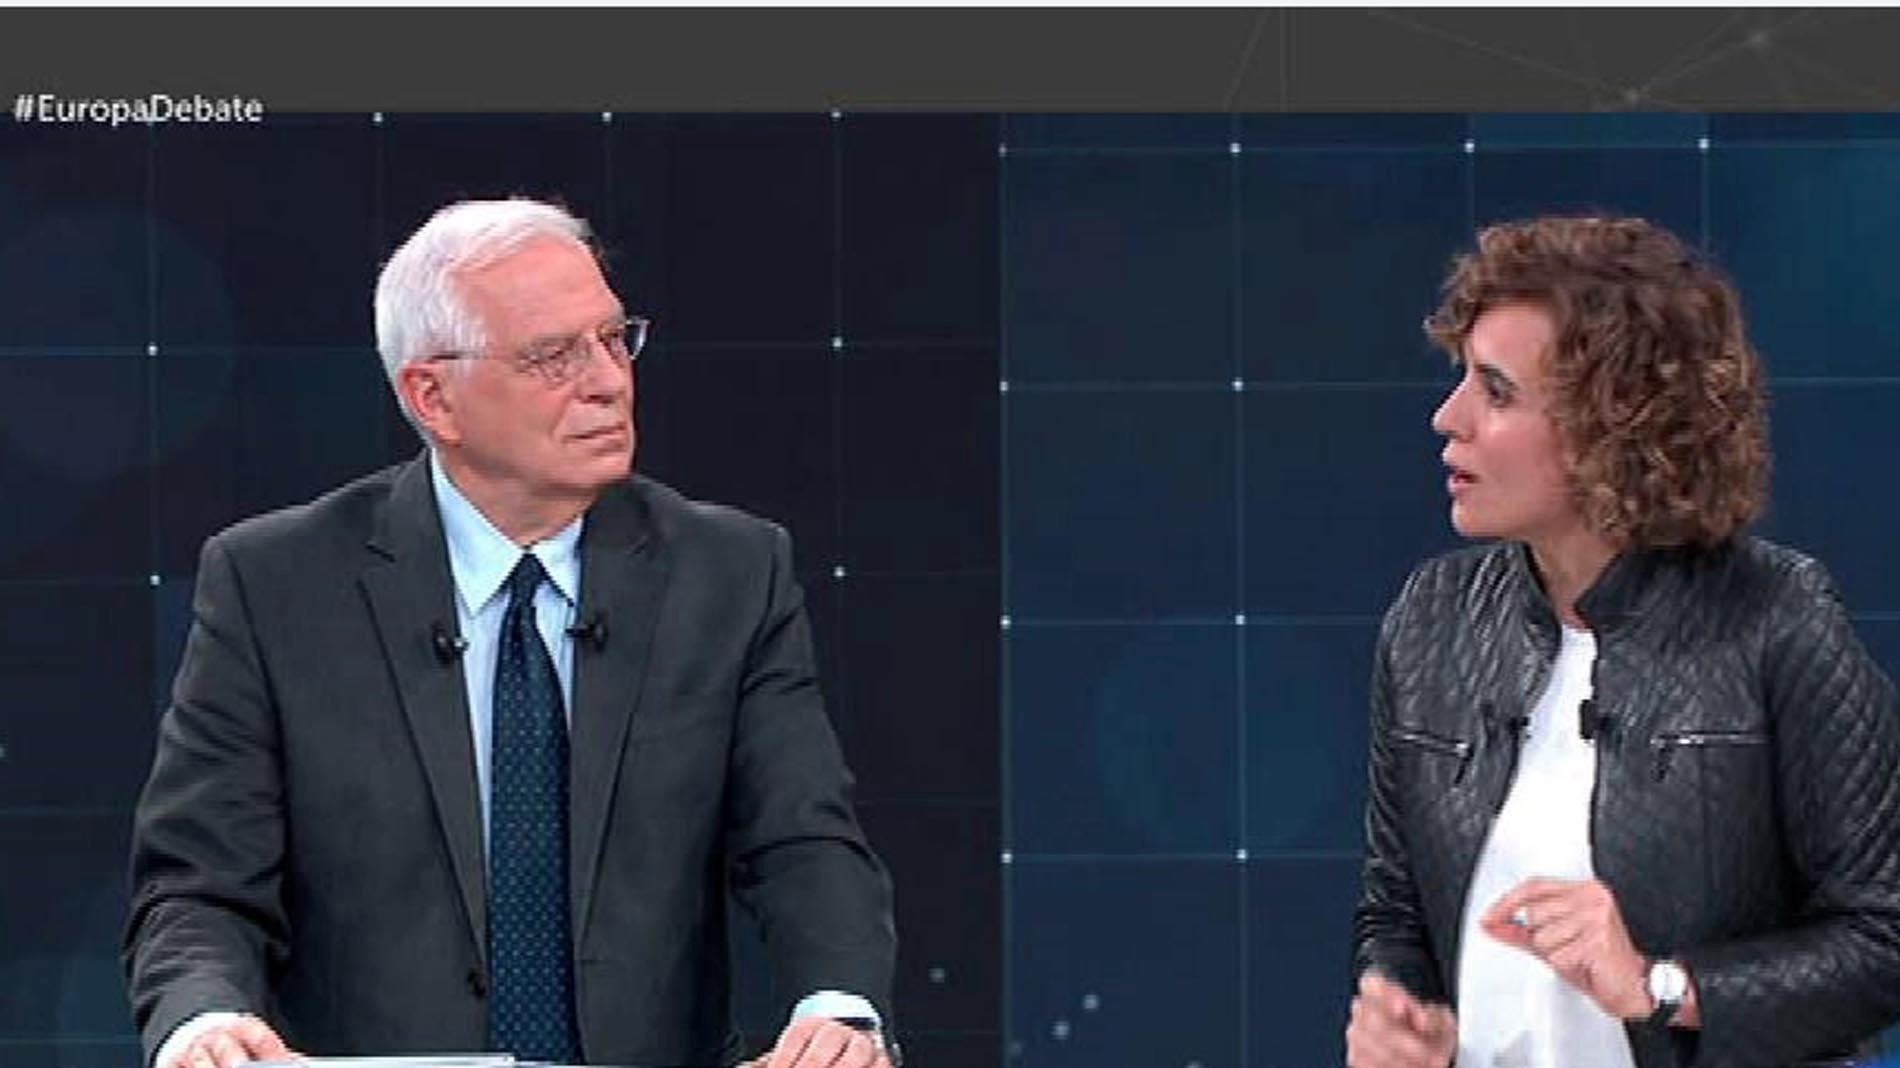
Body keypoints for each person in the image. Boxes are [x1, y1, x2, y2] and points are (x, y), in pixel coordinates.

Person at [125, 198, 898, 1068]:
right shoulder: (274, 587)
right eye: (553, 356)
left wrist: (840, 1009)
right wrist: (206, 1021)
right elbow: (198, 885)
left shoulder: (729, 573)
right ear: (433, 396)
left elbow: (803, 841)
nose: (608, 382)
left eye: (614, 339)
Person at [1346, 215, 1900, 1068]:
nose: (1447, 418)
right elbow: (1395, 911)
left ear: (1614, 426)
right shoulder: (1432, 621)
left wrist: (1661, 987)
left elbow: (1883, 939)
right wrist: (1403, 1015)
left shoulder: (1778, 618)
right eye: (1462, 380)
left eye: (1497, 392)